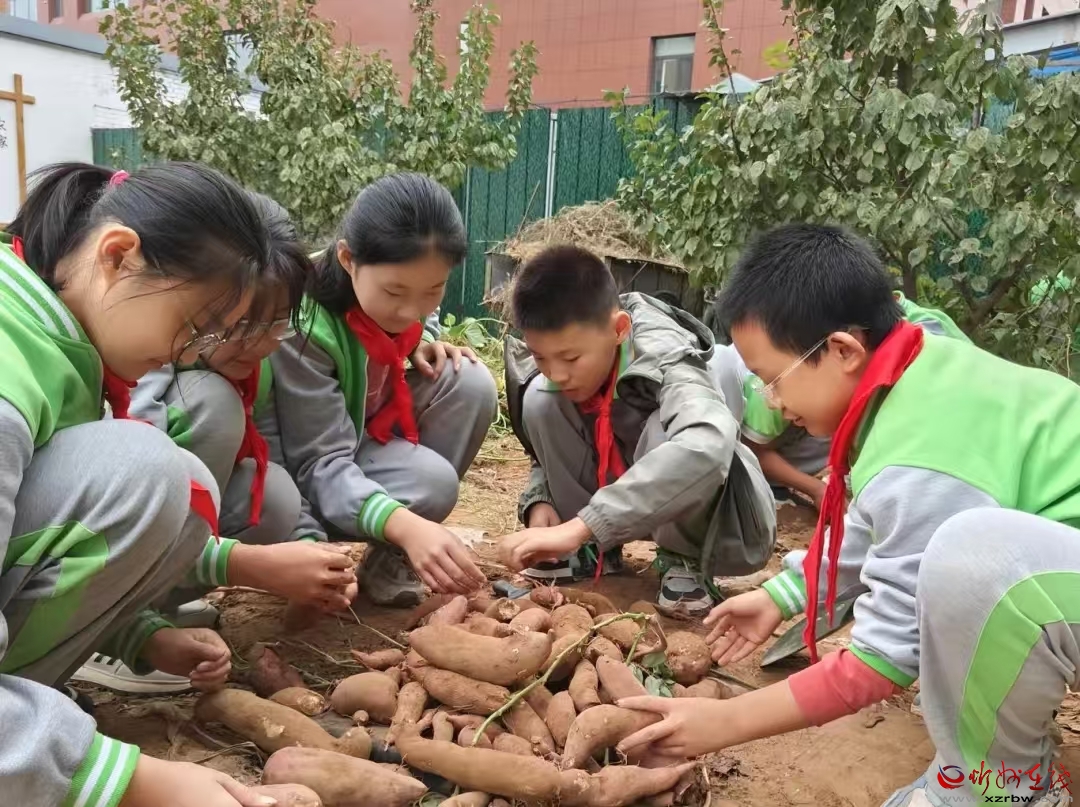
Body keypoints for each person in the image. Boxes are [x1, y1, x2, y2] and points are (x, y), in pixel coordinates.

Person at [616, 224, 1080, 807]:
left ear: (842, 350)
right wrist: (783, 595)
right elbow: (873, 522)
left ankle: (1002, 789)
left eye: (772, 380)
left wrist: (723, 722)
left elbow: (881, 661)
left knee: (972, 557)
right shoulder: (916, 371)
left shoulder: (923, 449)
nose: (772, 401)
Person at [0, 162, 284, 807]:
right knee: (146, 468)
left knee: (181, 485)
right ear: (118, 256)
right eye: (193, 324)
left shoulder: (57, 343)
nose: (193, 352)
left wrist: (139, 635)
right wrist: (126, 780)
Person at [71, 194, 357, 695]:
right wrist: (246, 564)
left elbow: (277, 456)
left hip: (147, 528)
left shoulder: (252, 367)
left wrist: (311, 549)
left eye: (277, 323)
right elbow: (132, 481)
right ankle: (107, 629)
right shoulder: (144, 347)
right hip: (93, 545)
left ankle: (153, 609)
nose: (263, 342)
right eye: (243, 325)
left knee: (276, 497)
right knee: (211, 403)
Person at [498, 245, 775, 616]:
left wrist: (582, 526)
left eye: (571, 358)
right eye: (540, 356)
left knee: (670, 429)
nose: (557, 372)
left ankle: (683, 557)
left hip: (681, 504)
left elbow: (707, 444)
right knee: (540, 398)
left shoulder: (668, 354)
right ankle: (591, 551)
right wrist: (541, 498)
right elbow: (541, 453)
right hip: (614, 496)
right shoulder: (564, 366)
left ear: (619, 330)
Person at [270, 172, 497, 607]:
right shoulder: (302, 327)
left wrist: (421, 339)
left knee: (468, 380)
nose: (412, 310)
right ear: (347, 259)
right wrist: (407, 524)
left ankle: (389, 556)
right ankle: (334, 540)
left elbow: (415, 315)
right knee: (433, 484)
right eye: (395, 291)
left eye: (434, 289)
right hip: (304, 470)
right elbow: (318, 463)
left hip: (360, 431)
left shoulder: (405, 300)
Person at [709, 291, 968, 510]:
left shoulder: (927, 341)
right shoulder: (773, 377)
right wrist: (817, 489)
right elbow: (754, 450)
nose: (772, 400)